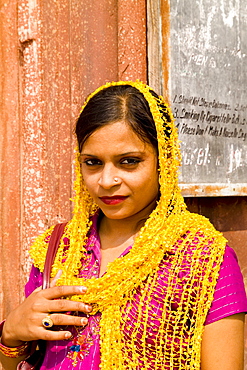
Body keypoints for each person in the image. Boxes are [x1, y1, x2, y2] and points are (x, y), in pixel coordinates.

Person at [0, 80, 246, 370]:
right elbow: (14, 361)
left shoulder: (203, 258)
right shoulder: (59, 249)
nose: (106, 181)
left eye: (128, 161)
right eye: (92, 163)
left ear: (162, 162)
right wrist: (10, 334)